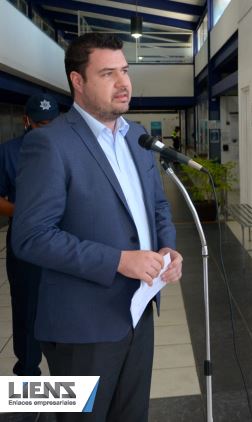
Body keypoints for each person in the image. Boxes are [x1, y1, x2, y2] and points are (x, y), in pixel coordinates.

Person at [12, 33, 183, 421]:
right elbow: (31, 237)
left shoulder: (137, 136)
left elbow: (156, 206)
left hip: (138, 315)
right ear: (78, 81)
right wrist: (118, 260)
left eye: (125, 71)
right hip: (80, 327)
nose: (123, 83)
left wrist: (168, 248)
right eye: (107, 74)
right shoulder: (50, 144)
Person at [0, 93, 60, 376]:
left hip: (63, 241)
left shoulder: (68, 148)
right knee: (26, 308)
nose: (46, 131)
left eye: (52, 124)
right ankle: (27, 373)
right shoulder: (9, 152)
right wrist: (23, 213)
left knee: (65, 305)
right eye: (41, 124)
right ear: (27, 121)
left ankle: (68, 374)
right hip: (25, 243)